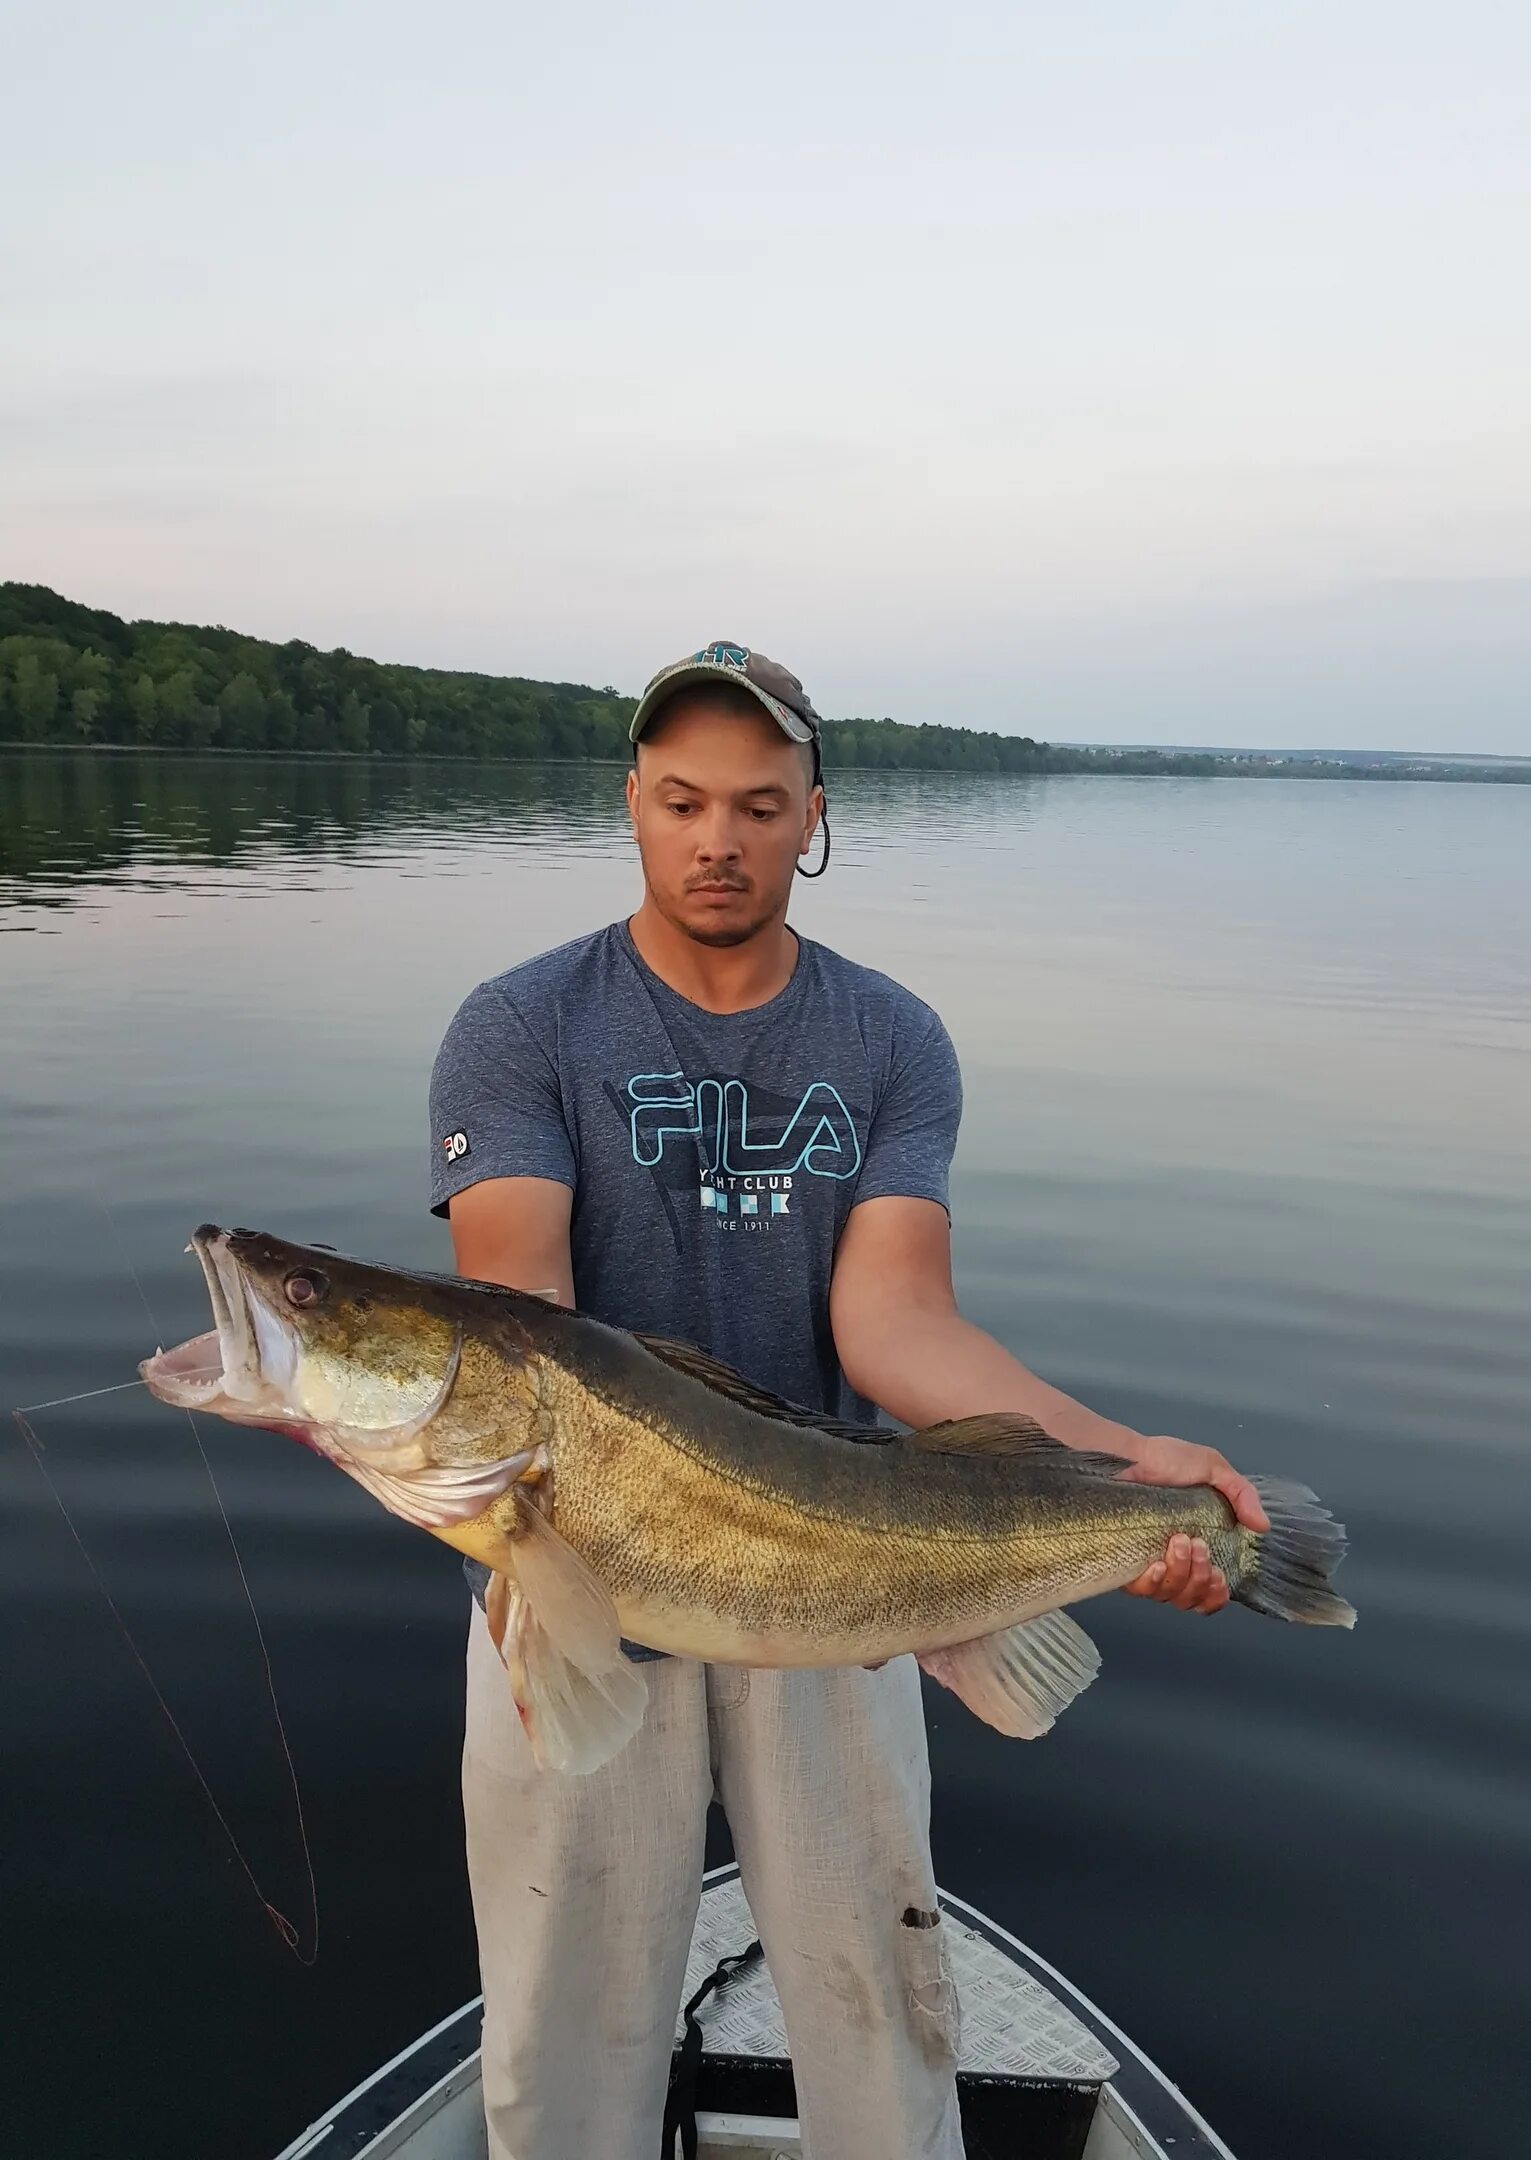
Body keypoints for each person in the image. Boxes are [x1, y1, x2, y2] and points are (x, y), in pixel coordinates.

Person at [428, 640, 1270, 2160]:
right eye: (682, 800)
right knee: (559, 2025)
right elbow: (517, 1319)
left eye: (759, 803)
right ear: (630, 801)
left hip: (839, 1564)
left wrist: (1121, 1463)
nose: (718, 839)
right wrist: (391, 1420)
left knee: (877, 1995)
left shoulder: (890, 1038)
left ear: (816, 812)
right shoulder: (522, 1023)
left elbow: (890, 1320)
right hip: (566, 1570)